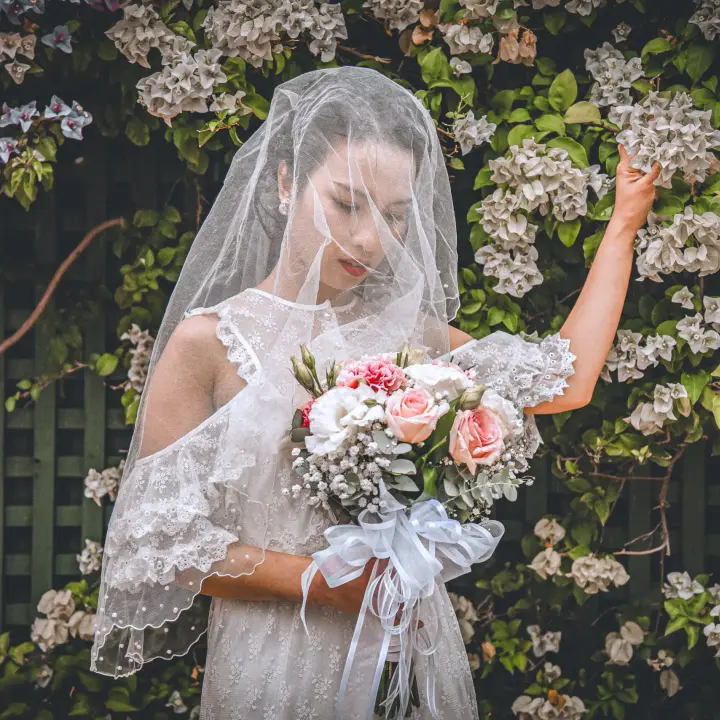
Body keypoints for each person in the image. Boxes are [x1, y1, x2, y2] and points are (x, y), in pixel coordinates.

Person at [90, 67, 659, 718]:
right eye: (347, 203)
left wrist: (625, 221)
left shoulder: (413, 336)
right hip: (270, 666)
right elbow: (158, 543)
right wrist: (324, 583)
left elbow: (570, 379)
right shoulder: (208, 344)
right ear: (284, 183)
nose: (369, 239)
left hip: (406, 662)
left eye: (393, 216)